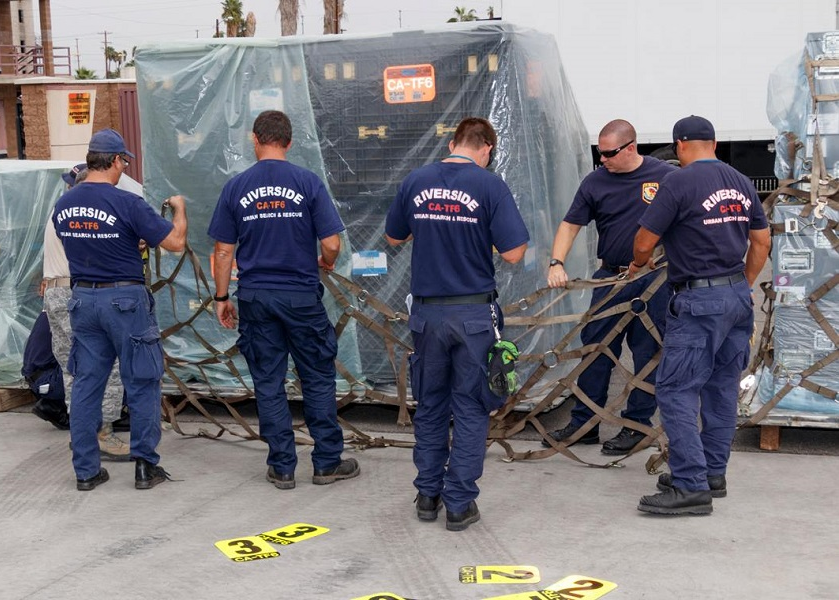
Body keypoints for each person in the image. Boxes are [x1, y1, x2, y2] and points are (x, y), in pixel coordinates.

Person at [385, 117, 529, 531]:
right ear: (486, 149)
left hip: (427, 315)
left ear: (452, 144)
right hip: (472, 316)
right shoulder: (490, 186)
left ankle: (427, 495)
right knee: (470, 406)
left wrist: (431, 230)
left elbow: (394, 237)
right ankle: (460, 504)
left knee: (431, 404)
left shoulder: (416, 181)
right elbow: (514, 253)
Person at [208, 110, 359, 491]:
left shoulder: (236, 187)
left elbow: (223, 251)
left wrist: (222, 297)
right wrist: (326, 261)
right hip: (301, 297)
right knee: (318, 378)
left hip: (257, 298)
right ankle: (327, 463)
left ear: (254, 139)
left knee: (268, 381)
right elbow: (332, 243)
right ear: (289, 142)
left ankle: (282, 467)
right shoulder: (307, 183)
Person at [630, 115, 770, 515]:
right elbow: (761, 242)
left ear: (679, 145)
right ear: (714, 143)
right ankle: (712, 473)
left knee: (676, 389)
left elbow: (644, 241)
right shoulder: (741, 181)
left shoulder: (678, 182)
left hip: (698, 301)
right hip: (735, 296)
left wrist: (638, 262)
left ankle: (690, 485)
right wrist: (743, 284)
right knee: (721, 388)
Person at [53, 128, 187, 491]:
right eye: (124, 162)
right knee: (141, 381)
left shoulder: (64, 204)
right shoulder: (128, 203)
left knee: (86, 385)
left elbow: (83, 242)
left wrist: (128, 241)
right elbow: (175, 242)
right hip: (125, 301)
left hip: (83, 299)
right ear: (115, 160)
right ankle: (145, 466)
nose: (124, 168)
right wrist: (179, 209)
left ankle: (86, 471)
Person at [543, 120, 676, 455]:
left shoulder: (665, 177)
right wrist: (556, 262)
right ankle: (584, 424)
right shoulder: (595, 182)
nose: (602, 160)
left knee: (648, 353)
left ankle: (637, 426)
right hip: (610, 278)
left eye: (608, 153)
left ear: (630, 147)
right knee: (595, 351)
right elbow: (570, 225)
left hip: (653, 282)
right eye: (599, 153)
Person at [38, 163, 130, 461]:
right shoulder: (81, 216)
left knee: (72, 367)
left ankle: (82, 434)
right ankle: (102, 434)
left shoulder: (58, 211)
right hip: (76, 293)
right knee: (105, 363)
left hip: (55, 292)